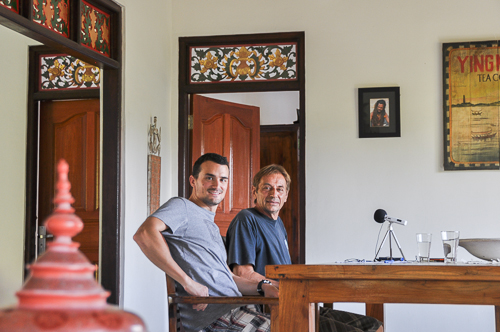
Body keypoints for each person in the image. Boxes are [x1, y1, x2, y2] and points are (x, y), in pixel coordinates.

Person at [226, 164, 384, 332]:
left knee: (375, 326)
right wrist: (287, 288)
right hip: (273, 307)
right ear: (254, 191)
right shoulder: (246, 219)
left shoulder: (278, 224)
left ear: (286, 195)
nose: (274, 194)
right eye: (267, 188)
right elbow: (243, 273)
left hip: (296, 301)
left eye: (280, 189)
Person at [134, 153, 278, 332]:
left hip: (238, 309)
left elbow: (231, 279)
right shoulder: (182, 207)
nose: (217, 185)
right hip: (215, 318)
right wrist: (188, 283)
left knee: (301, 322)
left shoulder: (212, 228)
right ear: (193, 181)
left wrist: (263, 285)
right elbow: (144, 233)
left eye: (223, 179)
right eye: (210, 178)